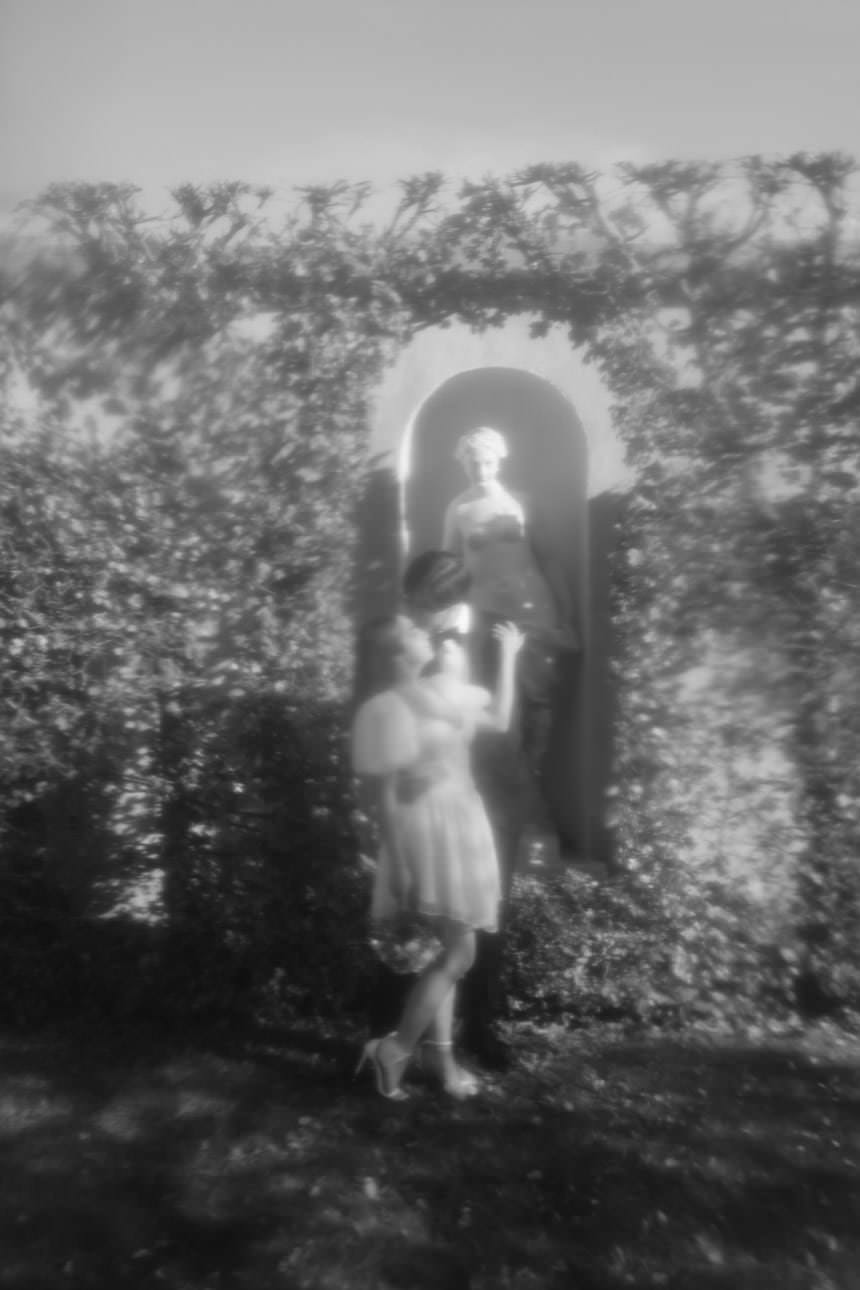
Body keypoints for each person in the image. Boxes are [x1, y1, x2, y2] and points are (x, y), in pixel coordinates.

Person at [352, 612, 524, 1100]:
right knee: (459, 951)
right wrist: (401, 861)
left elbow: (498, 719)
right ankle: (397, 1048)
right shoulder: (388, 707)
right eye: (412, 632)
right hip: (423, 828)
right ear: (399, 653)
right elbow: (386, 793)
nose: (424, 632)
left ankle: (440, 1061)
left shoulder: (443, 693)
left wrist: (510, 656)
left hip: (460, 821)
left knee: (447, 948)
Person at [443, 426, 578, 834]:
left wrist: (566, 616)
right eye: (472, 463)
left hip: (533, 610)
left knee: (537, 699)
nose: (480, 470)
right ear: (463, 464)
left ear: (499, 461)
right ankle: (503, 800)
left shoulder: (522, 504)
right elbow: (448, 566)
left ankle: (531, 790)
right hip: (484, 614)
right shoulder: (459, 510)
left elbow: (550, 559)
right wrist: (451, 616)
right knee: (495, 706)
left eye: (486, 461)